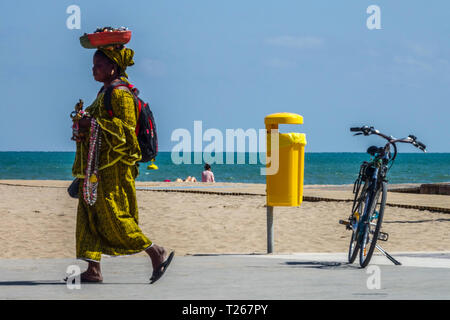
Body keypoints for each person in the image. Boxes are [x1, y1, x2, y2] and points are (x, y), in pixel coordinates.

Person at [71, 43, 174, 283]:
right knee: (89, 216)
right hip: (96, 168)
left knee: (114, 216)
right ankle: (93, 269)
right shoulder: (104, 93)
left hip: (113, 170)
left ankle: (155, 251)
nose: (93, 70)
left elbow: (126, 134)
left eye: (98, 65)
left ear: (113, 68)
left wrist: (92, 125)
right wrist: (83, 126)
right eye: (93, 65)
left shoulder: (120, 94)